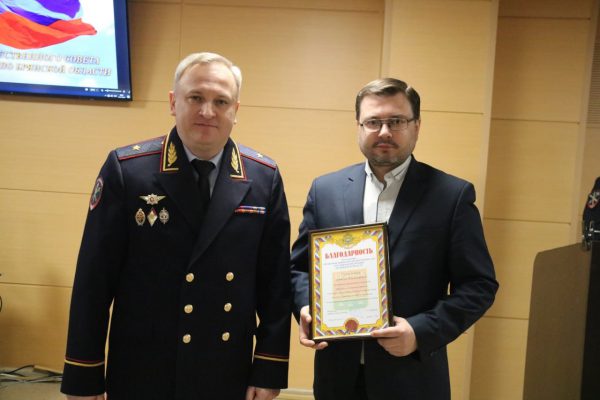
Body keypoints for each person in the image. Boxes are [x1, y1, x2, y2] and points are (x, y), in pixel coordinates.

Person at [61, 52, 291, 400]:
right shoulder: (128, 170)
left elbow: (276, 286)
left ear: (235, 110)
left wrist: (269, 367)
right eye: (195, 97)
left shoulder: (263, 177)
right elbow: (94, 279)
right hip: (143, 368)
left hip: (225, 369)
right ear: (173, 102)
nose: (207, 111)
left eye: (221, 101)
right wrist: (84, 372)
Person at [290, 78, 499, 399]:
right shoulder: (325, 190)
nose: (384, 131)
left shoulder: (451, 196)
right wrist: (307, 307)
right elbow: (299, 269)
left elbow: (479, 286)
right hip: (337, 378)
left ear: (416, 126)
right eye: (373, 122)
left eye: (397, 121)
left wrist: (420, 331)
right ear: (359, 126)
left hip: (412, 380)